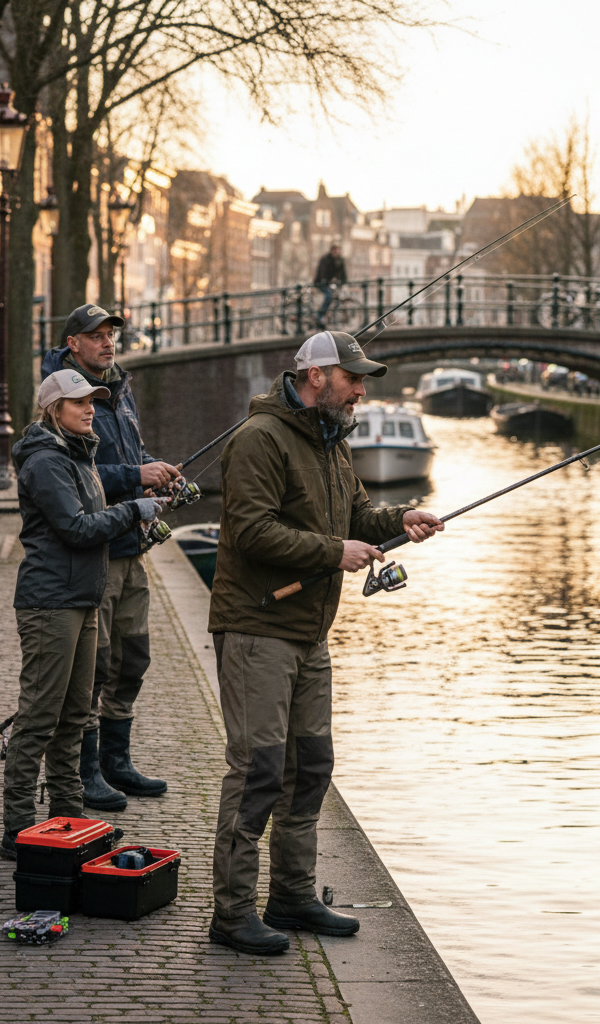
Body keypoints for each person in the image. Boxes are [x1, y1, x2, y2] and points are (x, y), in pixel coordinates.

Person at [207, 329, 444, 954]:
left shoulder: (330, 441)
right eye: (353, 378)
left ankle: (291, 895)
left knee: (309, 767)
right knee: (257, 772)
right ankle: (231, 914)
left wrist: (400, 519)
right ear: (317, 376)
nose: (361, 390)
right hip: (258, 628)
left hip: (310, 634)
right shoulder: (259, 439)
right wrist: (333, 551)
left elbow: (357, 517)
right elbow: (251, 531)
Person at [0, 370, 162, 860]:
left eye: (92, 401)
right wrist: (133, 511)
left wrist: (138, 507)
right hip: (50, 604)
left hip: (82, 599)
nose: (90, 408)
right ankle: (16, 827)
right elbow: (75, 528)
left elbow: (92, 522)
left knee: (74, 716)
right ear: (54, 409)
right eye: (78, 402)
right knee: (39, 718)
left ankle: (68, 818)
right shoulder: (46, 461)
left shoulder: (79, 454)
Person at [41, 304, 181, 812]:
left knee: (132, 657)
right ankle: (86, 771)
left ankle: (116, 762)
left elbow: (129, 454)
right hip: (96, 552)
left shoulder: (119, 389)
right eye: (96, 335)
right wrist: (135, 478)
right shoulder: (65, 399)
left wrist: (156, 470)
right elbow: (78, 472)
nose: (107, 343)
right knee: (93, 666)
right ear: (73, 343)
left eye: (110, 335)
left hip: (131, 547)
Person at [314, 244, 347, 327]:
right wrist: (326, 280)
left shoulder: (340, 260)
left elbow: (343, 273)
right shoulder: (325, 259)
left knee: (337, 297)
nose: (337, 253)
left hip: (332, 284)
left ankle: (329, 317)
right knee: (329, 296)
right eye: (335, 251)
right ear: (332, 251)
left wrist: (343, 282)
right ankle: (320, 316)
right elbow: (322, 272)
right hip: (321, 282)